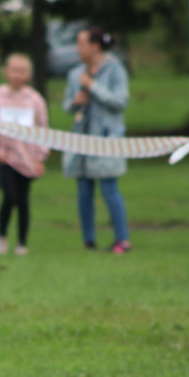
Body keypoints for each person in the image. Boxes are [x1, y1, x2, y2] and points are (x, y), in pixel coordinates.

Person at [61, 27, 131, 254]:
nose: (77, 49)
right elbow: (65, 106)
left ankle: (122, 239)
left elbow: (120, 101)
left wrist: (94, 87)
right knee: (83, 189)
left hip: (106, 139)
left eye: (81, 43)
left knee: (110, 188)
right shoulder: (75, 74)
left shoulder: (115, 70)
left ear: (95, 46)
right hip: (81, 139)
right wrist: (75, 101)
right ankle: (88, 239)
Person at [0, 53, 49, 256]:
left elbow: (43, 129)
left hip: (27, 159)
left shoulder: (34, 100)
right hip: (6, 158)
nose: (17, 75)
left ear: (28, 75)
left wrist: (40, 157)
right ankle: (0, 235)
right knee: (10, 196)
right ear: (6, 72)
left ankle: (22, 242)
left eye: (21, 71)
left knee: (23, 200)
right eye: (13, 70)